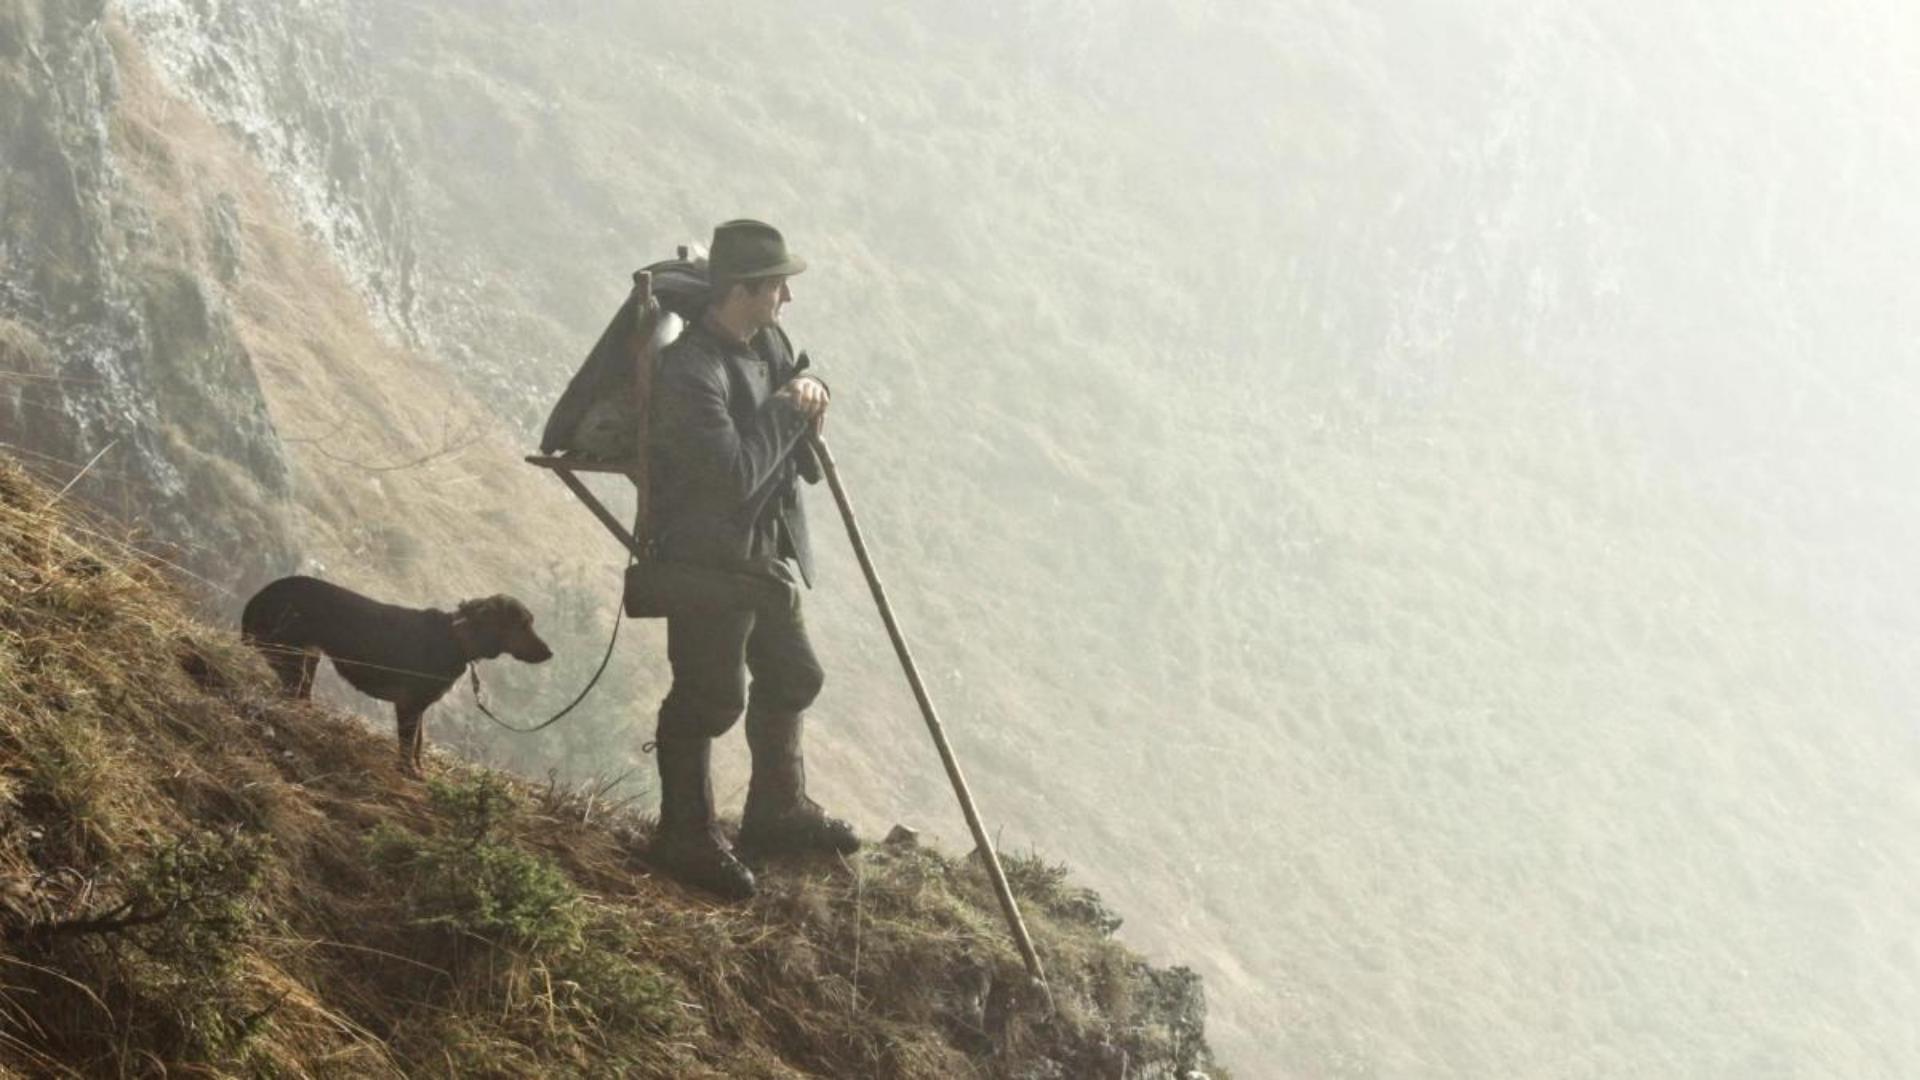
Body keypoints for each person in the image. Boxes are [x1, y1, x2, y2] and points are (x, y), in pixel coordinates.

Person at [644, 219, 859, 899]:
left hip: (759, 556)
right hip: (705, 561)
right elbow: (731, 477)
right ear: (741, 291)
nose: (785, 304)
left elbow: (795, 383)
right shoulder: (689, 372)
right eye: (776, 289)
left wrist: (810, 386)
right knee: (709, 698)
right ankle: (684, 834)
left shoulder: (765, 341)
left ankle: (776, 811)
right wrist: (788, 408)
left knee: (793, 674)